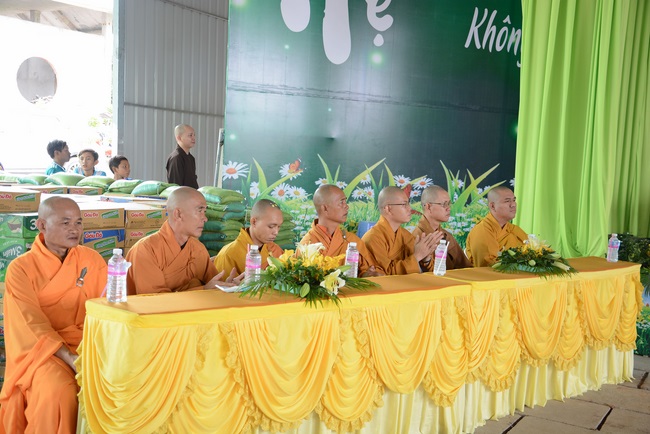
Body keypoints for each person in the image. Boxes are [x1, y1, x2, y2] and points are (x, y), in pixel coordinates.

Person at [0, 197, 107, 433]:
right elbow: (31, 324)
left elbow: (108, 309)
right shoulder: (20, 269)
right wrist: (70, 358)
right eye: (65, 223)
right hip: (43, 352)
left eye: (78, 222)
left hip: (88, 343)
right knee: (59, 391)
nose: (74, 229)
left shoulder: (92, 260)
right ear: (42, 225)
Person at [126, 186, 239, 294]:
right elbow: (154, 301)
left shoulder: (198, 249)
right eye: (199, 211)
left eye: (204, 212)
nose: (205, 219)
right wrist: (203, 290)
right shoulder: (146, 250)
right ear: (178, 214)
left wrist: (226, 287)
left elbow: (213, 285)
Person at [300, 184, 385, 277]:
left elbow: (370, 270)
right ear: (325, 208)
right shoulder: (307, 244)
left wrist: (367, 274)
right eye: (341, 202)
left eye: (345, 201)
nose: (346, 206)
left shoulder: (351, 240)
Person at [362, 186, 438, 275]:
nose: (410, 209)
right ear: (388, 209)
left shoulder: (405, 235)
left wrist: (426, 258)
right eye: (404, 204)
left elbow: (425, 269)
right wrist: (417, 256)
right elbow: (383, 273)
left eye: (408, 204)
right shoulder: (373, 238)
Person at [214, 199, 284, 274]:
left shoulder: (275, 250)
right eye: (271, 226)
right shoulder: (228, 254)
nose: (276, 232)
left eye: (278, 227)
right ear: (254, 222)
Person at [465, 186, 528, 267]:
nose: (513, 205)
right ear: (492, 206)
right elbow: (489, 264)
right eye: (507, 201)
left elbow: (530, 252)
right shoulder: (482, 230)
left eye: (514, 200)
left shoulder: (514, 229)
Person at [413, 185, 472, 270]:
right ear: (429, 207)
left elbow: (466, 267)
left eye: (449, 204)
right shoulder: (416, 237)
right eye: (444, 204)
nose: (448, 208)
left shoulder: (446, 235)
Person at [165, 124, 198, 188]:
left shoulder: (191, 158)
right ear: (179, 138)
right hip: (181, 194)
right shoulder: (176, 158)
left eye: (194, 135)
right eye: (190, 135)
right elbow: (175, 186)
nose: (193, 138)